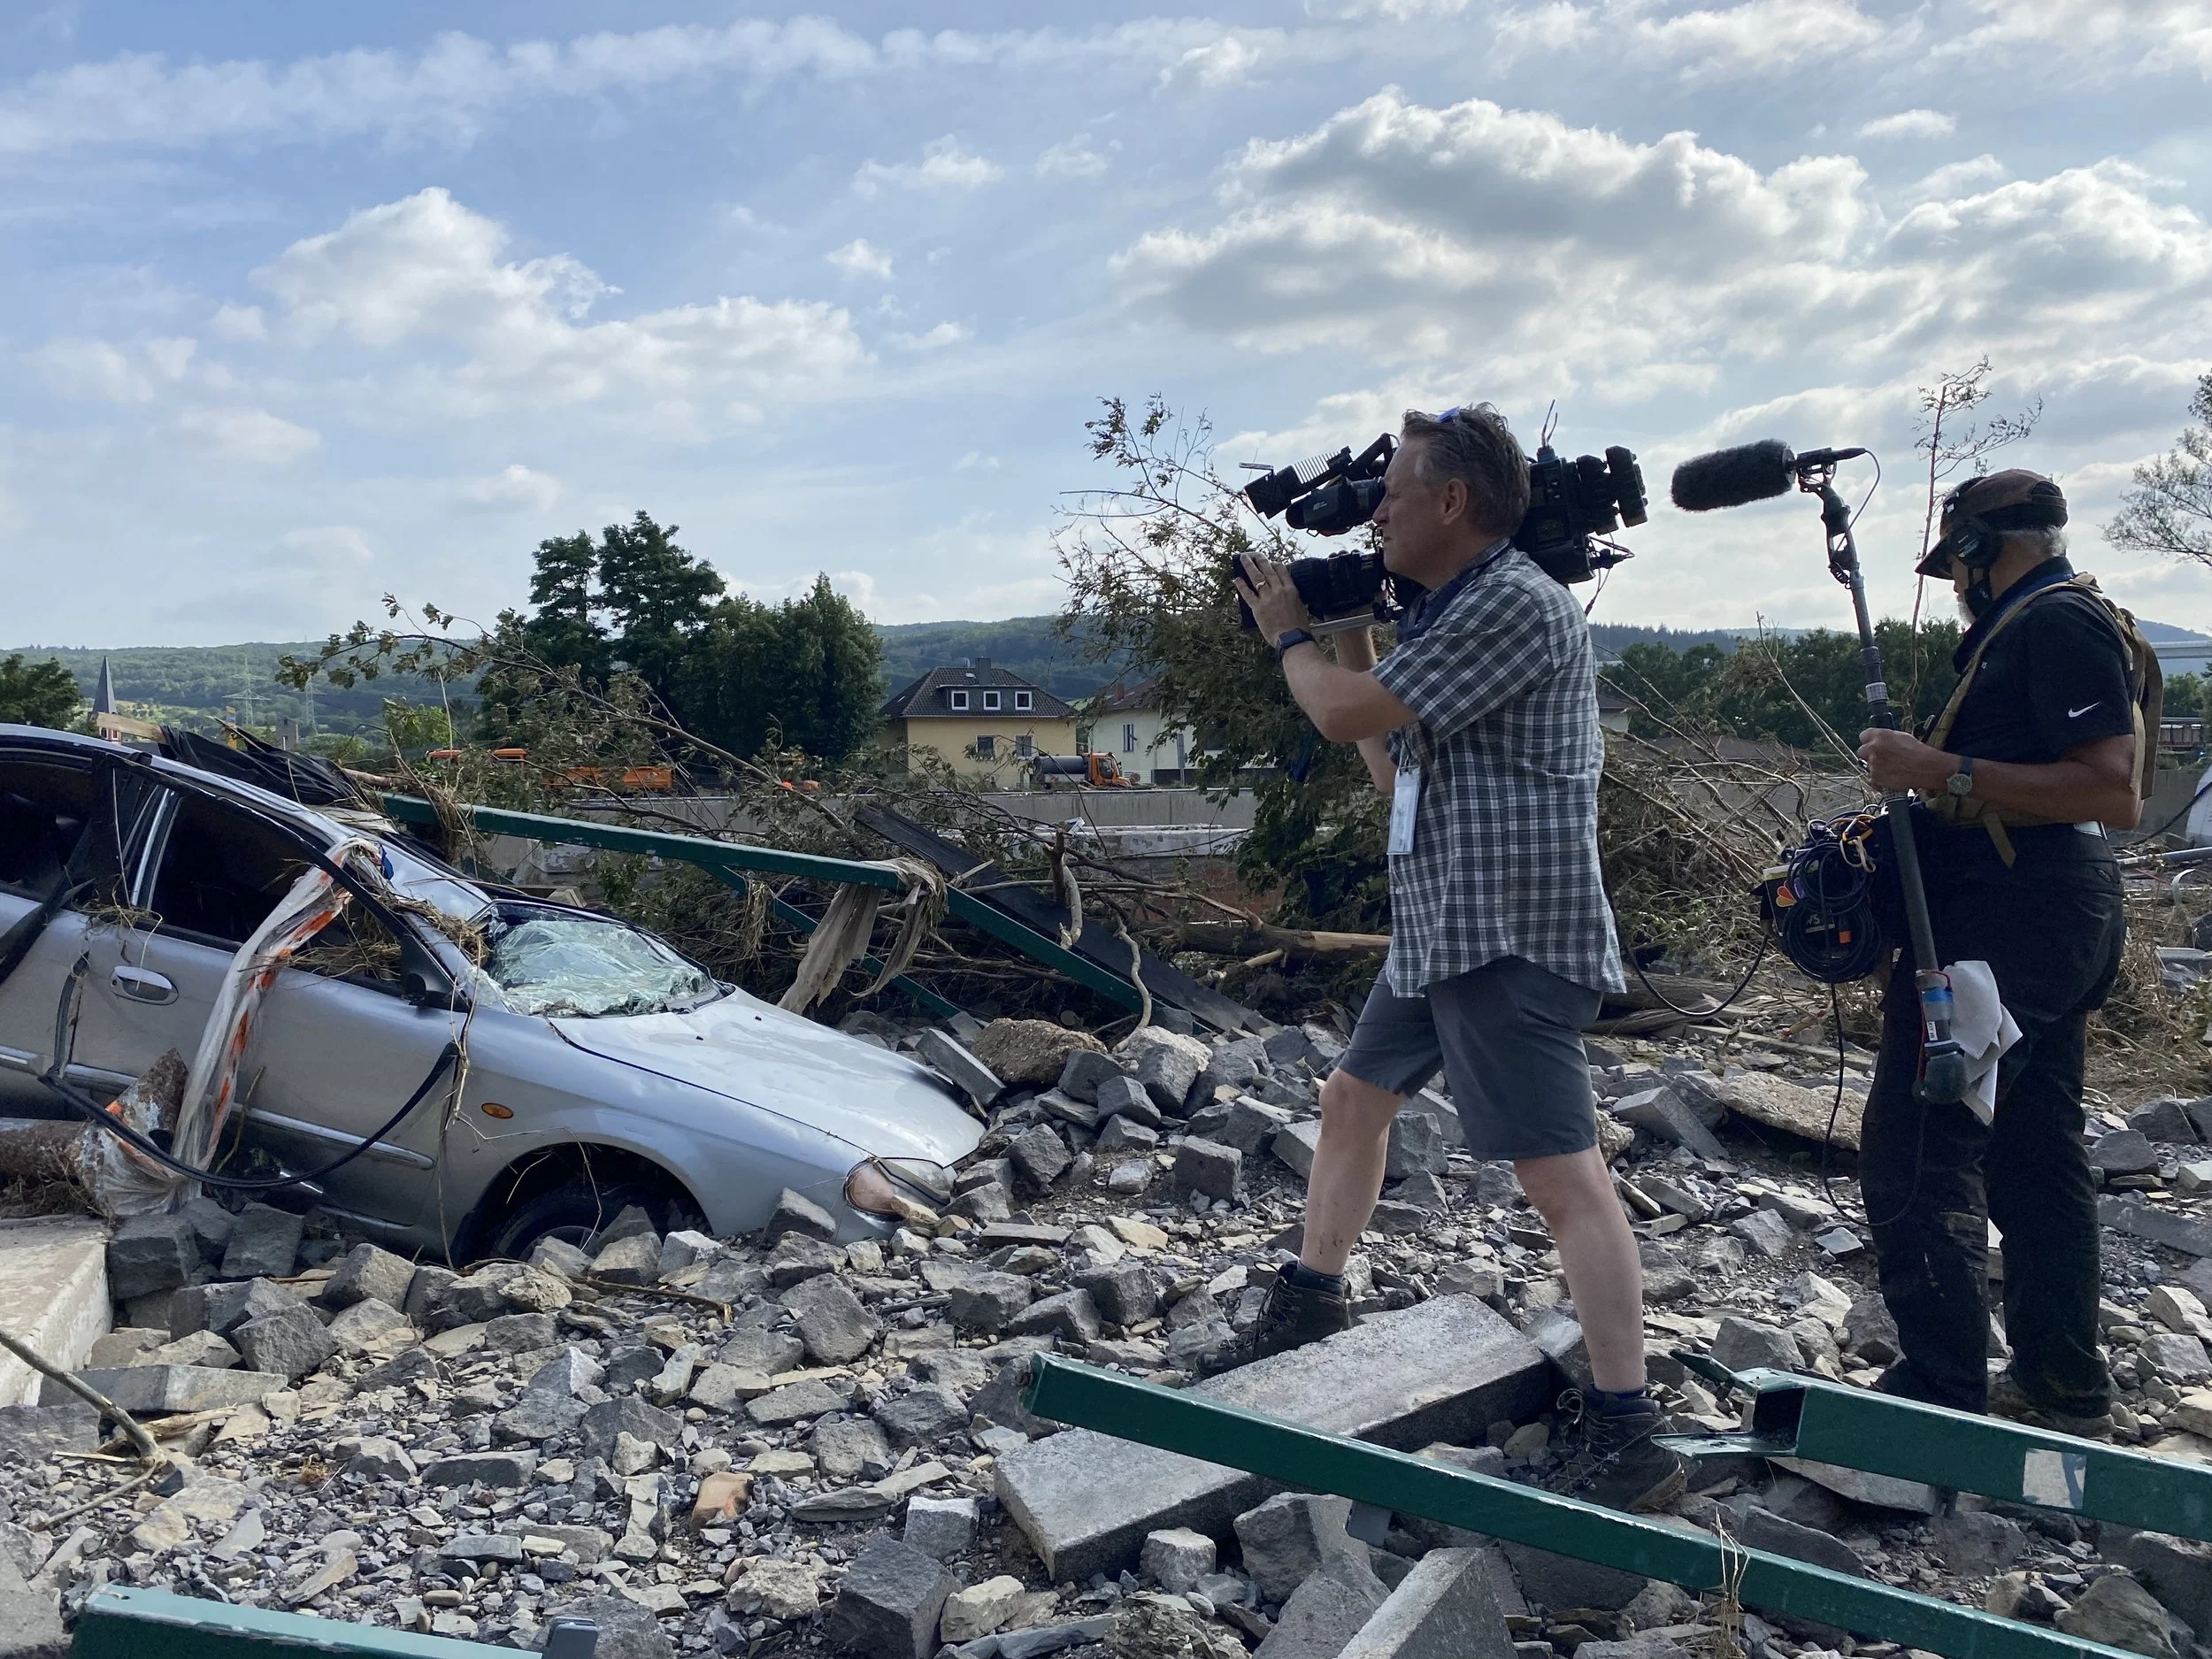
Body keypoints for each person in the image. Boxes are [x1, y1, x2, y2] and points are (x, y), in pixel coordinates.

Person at [1226, 403, 1682, 1513]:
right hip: (1447, 923)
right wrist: (1352, 628)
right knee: (1351, 1098)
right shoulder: (1451, 610)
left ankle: (1628, 1429)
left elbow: (1338, 716)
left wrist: (1291, 633)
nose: (1376, 515)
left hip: (1507, 933)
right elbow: (1392, 768)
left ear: (1453, 500)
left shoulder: (1513, 603)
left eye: (1392, 495)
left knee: (1561, 1176)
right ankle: (1311, 1300)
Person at [1857, 469, 2144, 1438]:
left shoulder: (2055, 622)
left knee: (1920, 1141)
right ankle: (2062, 1387)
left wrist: (1936, 770)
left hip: (2010, 920)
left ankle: (1940, 1401)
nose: (1952, 583)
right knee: (2032, 1150)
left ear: (1980, 550)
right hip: (2049, 913)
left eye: (1955, 563)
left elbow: (2111, 789)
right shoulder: (2049, 619)